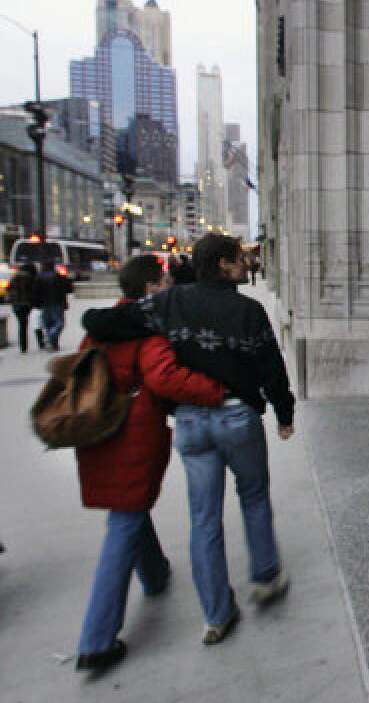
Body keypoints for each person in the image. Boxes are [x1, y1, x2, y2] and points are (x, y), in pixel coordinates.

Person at [82, 233, 296, 645]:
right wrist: (284, 414)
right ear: (222, 265)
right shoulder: (247, 310)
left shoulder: (168, 304)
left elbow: (100, 322)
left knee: (203, 517)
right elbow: (271, 368)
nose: (244, 266)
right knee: (253, 495)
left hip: (192, 423)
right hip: (237, 416)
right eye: (238, 260)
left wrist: (98, 322)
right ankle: (265, 575)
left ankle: (216, 614)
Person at [74, 255, 226, 674]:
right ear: (149, 289)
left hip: (98, 434)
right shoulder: (147, 331)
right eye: (162, 281)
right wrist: (216, 389)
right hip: (134, 435)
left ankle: (154, 573)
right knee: (124, 519)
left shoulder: (101, 328)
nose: (169, 287)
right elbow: (165, 379)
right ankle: (96, 641)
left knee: (128, 507)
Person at [34, 260, 73, 351]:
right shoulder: (59, 276)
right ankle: (52, 338)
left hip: (44, 304)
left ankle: (50, 340)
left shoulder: (38, 278)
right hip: (58, 303)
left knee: (48, 324)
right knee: (59, 323)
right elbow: (69, 288)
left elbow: (35, 292)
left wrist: (36, 303)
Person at [7, 262, 39, 353]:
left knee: (22, 325)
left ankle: (23, 347)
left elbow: (9, 291)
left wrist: (13, 301)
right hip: (27, 304)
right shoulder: (31, 278)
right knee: (36, 322)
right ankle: (40, 341)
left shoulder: (14, 278)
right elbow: (34, 291)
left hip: (17, 305)